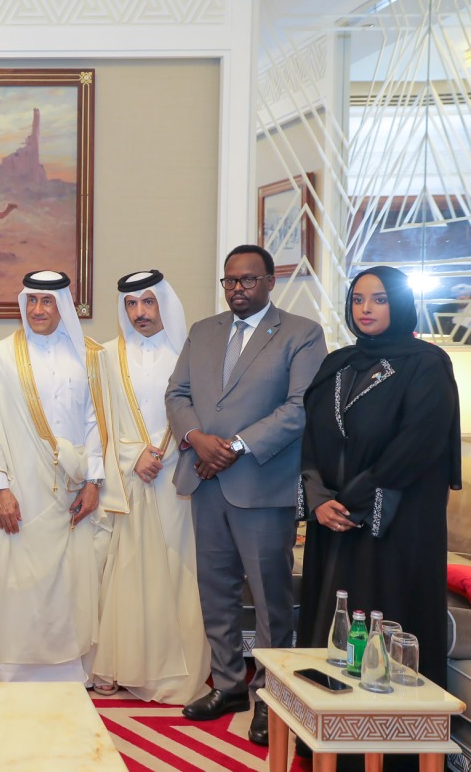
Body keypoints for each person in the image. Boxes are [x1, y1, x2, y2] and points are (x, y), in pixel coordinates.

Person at [165, 245, 326, 745]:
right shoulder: (203, 331)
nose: (237, 289)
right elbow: (177, 394)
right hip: (205, 480)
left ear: (270, 280)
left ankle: (272, 694)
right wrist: (196, 440)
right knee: (216, 594)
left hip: (261, 484)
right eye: (230, 281)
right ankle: (230, 685)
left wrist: (232, 445)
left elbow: (301, 408)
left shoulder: (301, 334)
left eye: (248, 281)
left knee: (270, 598)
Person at [297, 266, 459, 694]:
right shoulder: (338, 363)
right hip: (331, 520)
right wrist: (317, 499)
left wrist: (350, 501)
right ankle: (325, 733)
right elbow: (310, 437)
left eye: (379, 299)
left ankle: (389, 749)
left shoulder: (426, 365)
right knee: (331, 622)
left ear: (401, 305)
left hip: (396, 526)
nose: (366, 308)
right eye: (358, 299)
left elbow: (417, 446)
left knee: (381, 621)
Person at [0, 270, 109, 683]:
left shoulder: (89, 355)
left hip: (72, 490)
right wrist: (1, 488)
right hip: (21, 489)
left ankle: (70, 672)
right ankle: (15, 669)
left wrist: (94, 482)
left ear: (62, 306)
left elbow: (97, 424)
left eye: (47, 302)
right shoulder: (1, 355)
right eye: (32, 301)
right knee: (18, 580)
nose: (38, 310)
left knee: (71, 580)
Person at [94, 270, 209, 704]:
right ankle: (123, 666)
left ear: (163, 303)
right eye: (131, 304)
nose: (140, 312)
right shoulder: (106, 356)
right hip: (130, 477)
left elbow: (204, 414)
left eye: (148, 302)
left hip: (178, 476)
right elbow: (101, 423)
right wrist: (132, 457)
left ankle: (173, 672)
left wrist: (166, 453)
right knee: (128, 571)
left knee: (177, 567)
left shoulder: (190, 353)